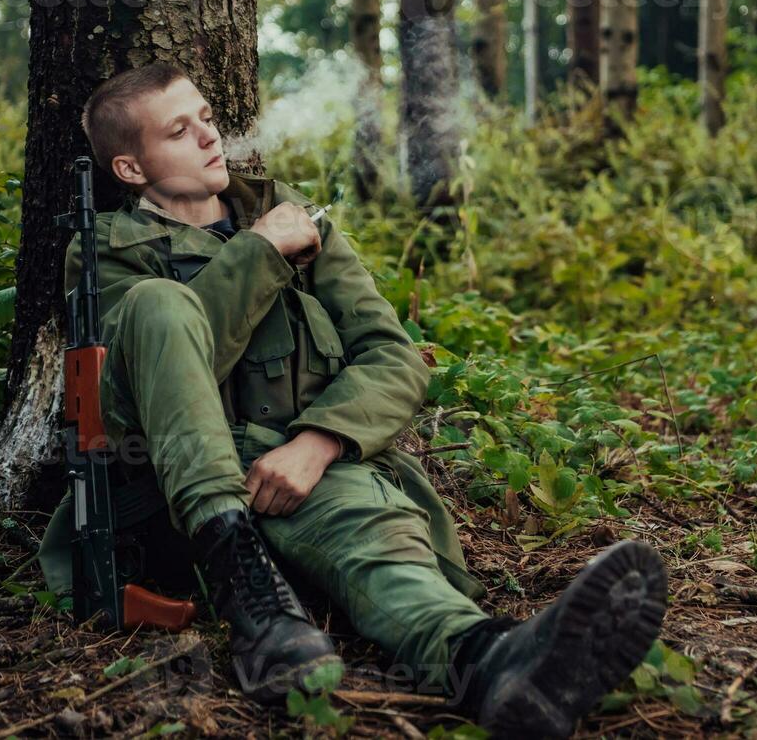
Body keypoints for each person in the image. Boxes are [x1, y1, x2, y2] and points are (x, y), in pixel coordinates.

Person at [36, 63, 668, 736]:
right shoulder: (108, 248)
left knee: (377, 542)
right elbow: (166, 356)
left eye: (208, 118)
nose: (207, 137)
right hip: (171, 494)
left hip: (297, 474)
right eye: (178, 130)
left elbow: (394, 357)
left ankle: (493, 662)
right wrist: (258, 254)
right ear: (132, 170)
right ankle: (248, 589)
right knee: (160, 306)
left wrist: (321, 442)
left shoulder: (296, 223)